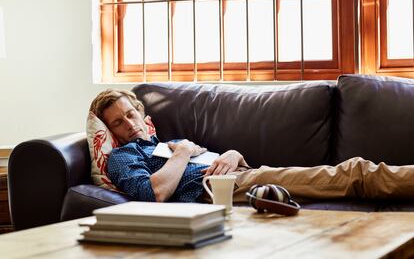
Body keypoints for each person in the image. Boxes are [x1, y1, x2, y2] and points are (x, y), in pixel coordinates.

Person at [89, 89, 414, 204]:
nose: (129, 124)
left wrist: (233, 154)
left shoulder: (167, 143)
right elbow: (154, 194)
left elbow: (222, 158)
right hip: (220, 189)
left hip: (244, 174)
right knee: (352, 174)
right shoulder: (124, 155)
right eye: (117, 122)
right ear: (110, 131)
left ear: (141, 113)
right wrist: (184, 153)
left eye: (130, 114)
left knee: (349, 174)